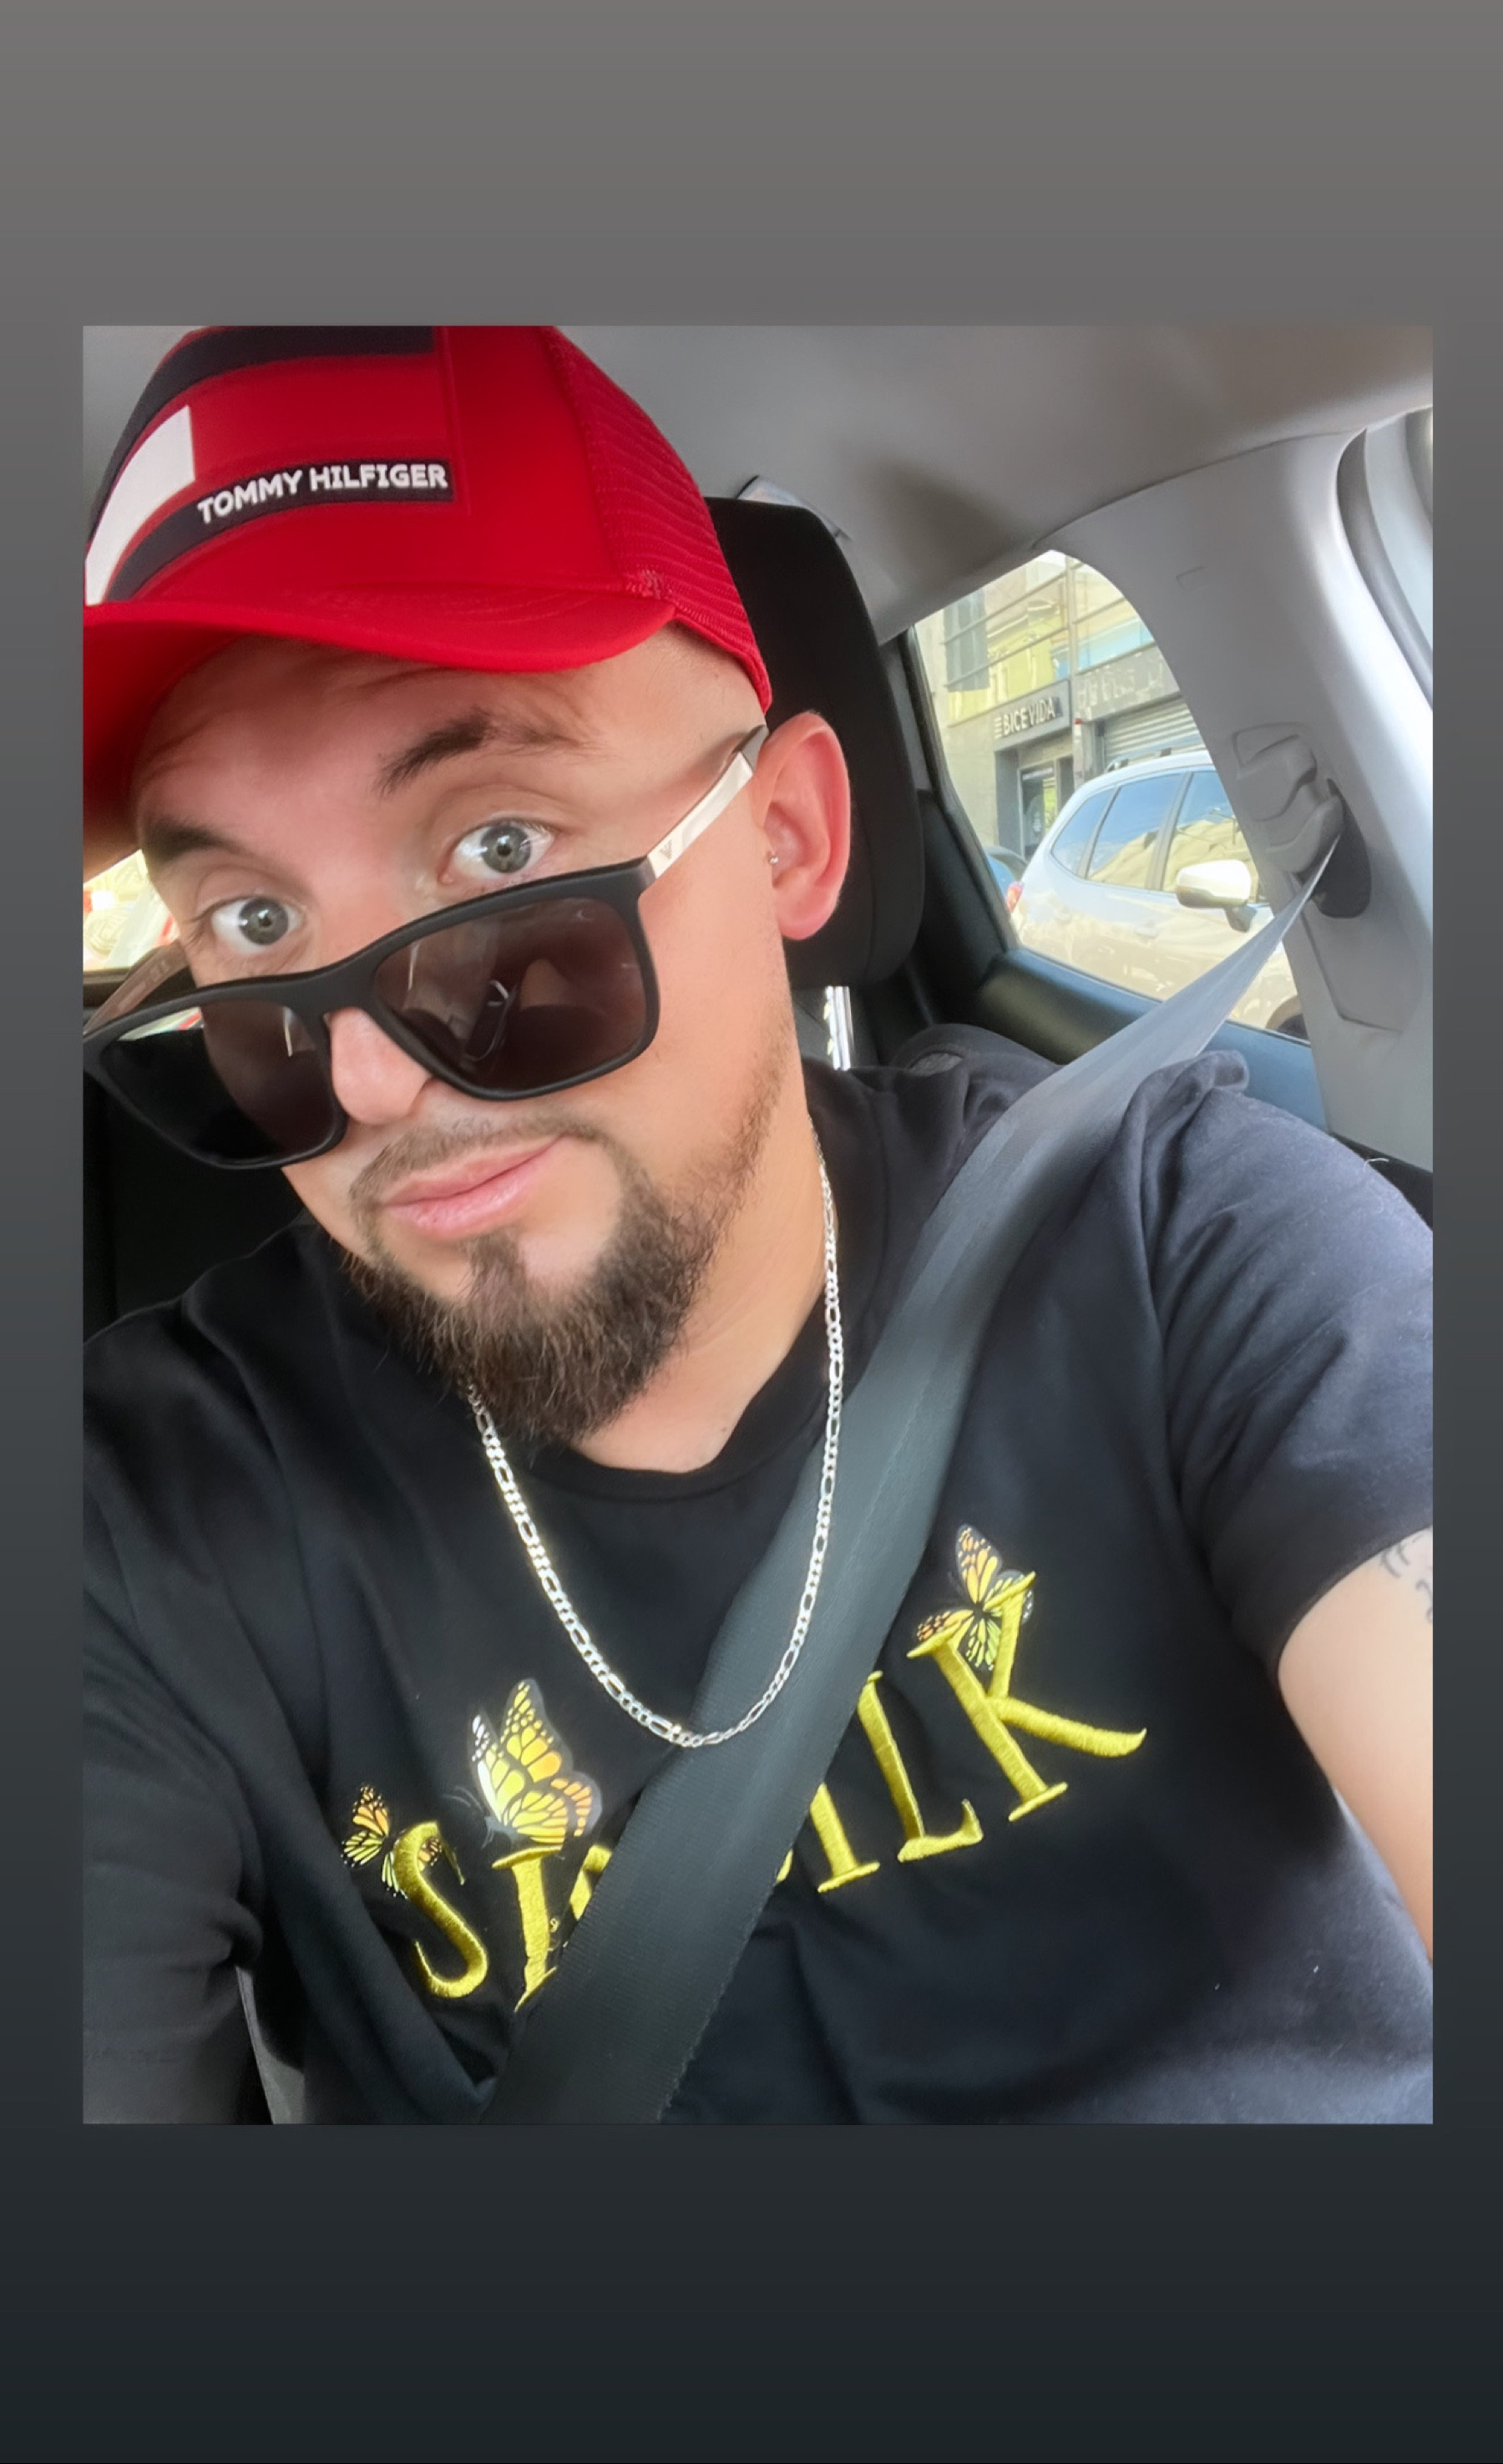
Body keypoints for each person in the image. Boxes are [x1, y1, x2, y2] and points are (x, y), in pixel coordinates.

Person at [84, 326, 1432, 2125]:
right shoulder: (145, 1516)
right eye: (251, 927)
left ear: (787, 836)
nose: (370, 1079)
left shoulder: (1189, 1240)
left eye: (498, 855)